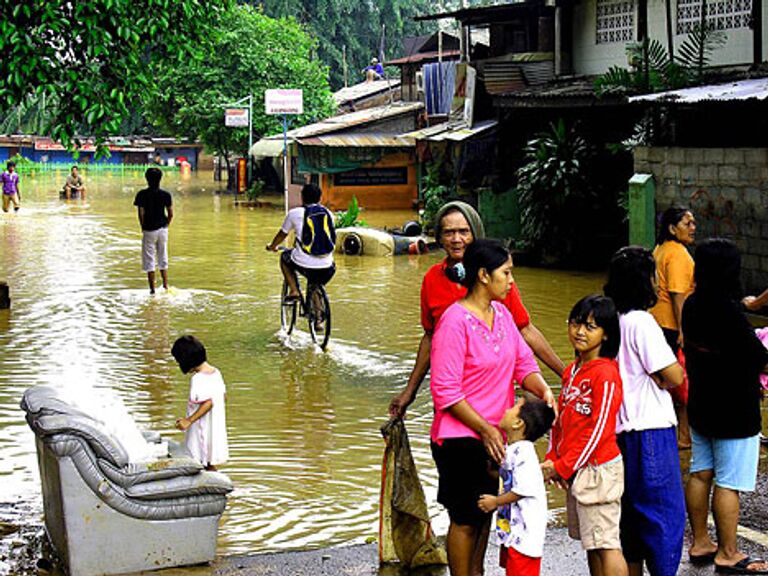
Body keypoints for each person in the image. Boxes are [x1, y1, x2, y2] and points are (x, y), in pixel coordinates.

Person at [429, 238, 555, 576]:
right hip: (460, 437)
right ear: (484, 275)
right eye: (507, 273)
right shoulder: (454, 321)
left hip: (497, 437)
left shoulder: (502, 314)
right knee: (465, 518)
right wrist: (484, 429)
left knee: (485, 516)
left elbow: (523, 364)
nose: (511, 281)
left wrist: (541, 387)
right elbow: (445, 392)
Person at [388, 201, 564, 420]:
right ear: (440, 237)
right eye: (449, 232)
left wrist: (566, 375)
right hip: (452, 396)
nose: (456, 239)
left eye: (463, 231)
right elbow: (430, 338)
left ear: (476, 232)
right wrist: (409, 393)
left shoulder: (498, 278)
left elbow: (524, 331)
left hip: (493, 394)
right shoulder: (433, 279)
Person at [682, 238, 768, 574]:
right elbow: (759, 359)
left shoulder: (693, 305)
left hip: (703, 401)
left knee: (701, 472)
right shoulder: (728, 311)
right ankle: (728, 552)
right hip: (735, 408)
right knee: (729, 482)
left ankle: (701, 541)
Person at [603, 246, 685, 576]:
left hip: (620, 434)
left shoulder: (611, 322)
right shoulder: (642, 322)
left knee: (631, 523)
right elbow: (673, 376)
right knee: (663, 518)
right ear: (646, 281)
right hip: (650, 431)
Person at [542, 294, 627, 576]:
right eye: (576, 323)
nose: (580, 331)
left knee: (607, 543)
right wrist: (554, 457)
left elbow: (599, 429)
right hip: (578, 468)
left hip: (599, 469)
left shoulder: (605, 374)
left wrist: (564, 465)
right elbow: (562, 420)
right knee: (591, 543)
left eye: (591, 327)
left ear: (606, 335)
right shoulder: (573, 370)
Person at [477, 397, 555, 576]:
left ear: (518, 423)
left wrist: (495, 502)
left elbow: (522, 489)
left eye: (513, 408)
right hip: (514, 528)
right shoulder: (514, 448)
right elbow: (510, 476)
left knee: (521, 570)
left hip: (526, 532)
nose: (506, 409)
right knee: (513, 568)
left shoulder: (524, 453)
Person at [649, 206, 696, 449]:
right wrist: (683, 330)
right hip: (670, 325)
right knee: (683, 382)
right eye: (687, 223)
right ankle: (684, 435)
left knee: (661, 381)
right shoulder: (678, 253)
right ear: (672, 228)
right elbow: (679, 296)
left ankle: (675, 432)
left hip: (657, 321)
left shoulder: (660, 249)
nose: (692, 228)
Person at [265, 183, 336, 299]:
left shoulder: (294, 213)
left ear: (302, 197)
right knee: (315, 285)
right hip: (328, 267)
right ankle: (318, 315)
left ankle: (294, 290)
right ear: (320, 198)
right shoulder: (328, 214)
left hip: (304, 264)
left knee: (284, 258)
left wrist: (272, 246)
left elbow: (282, 235)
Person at [172, 335, 229, 471]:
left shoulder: (198, 379)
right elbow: (223, 397)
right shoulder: (216, 372)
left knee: (200, 462)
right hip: (213, 429)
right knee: (209, 464)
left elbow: (208, 403)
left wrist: (189, 420)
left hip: (201, 430)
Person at [133, 167, 173, 294]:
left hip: (149, 230)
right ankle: (166, 286)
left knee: (149, 259)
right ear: (160, 179)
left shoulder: (141, 195)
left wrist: (143, 227)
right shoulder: (166, 195)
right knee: (163, 256)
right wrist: (166, 224)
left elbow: (141, 214)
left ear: (147, 179)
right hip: (163, 229)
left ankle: (152, 290)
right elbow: (171, 213)